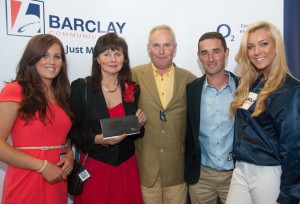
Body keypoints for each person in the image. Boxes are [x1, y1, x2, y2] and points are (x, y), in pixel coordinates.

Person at [226, 21, 300, 204]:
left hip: (267, 171)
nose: (256, 52)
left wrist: (290, 195)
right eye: (250, 47)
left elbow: (293, 148)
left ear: (276, 46)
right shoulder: (256, 83)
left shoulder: (290, 90)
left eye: (263, 44)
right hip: (242, 167)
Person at [68, 32, 146, 204]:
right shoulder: (82, 87)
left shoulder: (132, 88)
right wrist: (98, 139)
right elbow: (72, 131)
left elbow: (135, 131)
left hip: (126, 167)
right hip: (95, 167)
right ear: (97, 58)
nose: (113, 59)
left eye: (118, 54)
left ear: (124, 59)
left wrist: (139, 122)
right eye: (107, 54)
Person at [0, 34, 74, 204]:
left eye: (57, 57)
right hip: (26, 177)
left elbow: (62, 136)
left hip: (57, 178)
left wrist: (69, 154)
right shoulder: (15, 90)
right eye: (45, 55)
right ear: (32, 58)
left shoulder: (61, 95)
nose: (52, 62)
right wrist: (41, 166)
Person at [131, 24, 197, 204]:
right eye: (156, 45)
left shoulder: (190, 80)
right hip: (145, 167)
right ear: (148, 48)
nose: (161, 51)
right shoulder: (132, 76)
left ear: (175, 48)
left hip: (176, 169)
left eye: (167, 45)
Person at [184, 32, 238, 204]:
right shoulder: (191, 90)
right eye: (205, 53)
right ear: (199, 56)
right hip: (201, 177)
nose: (210, 58)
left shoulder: (243, 88)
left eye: (216, 51)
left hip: (236, 175)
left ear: (226, 52)